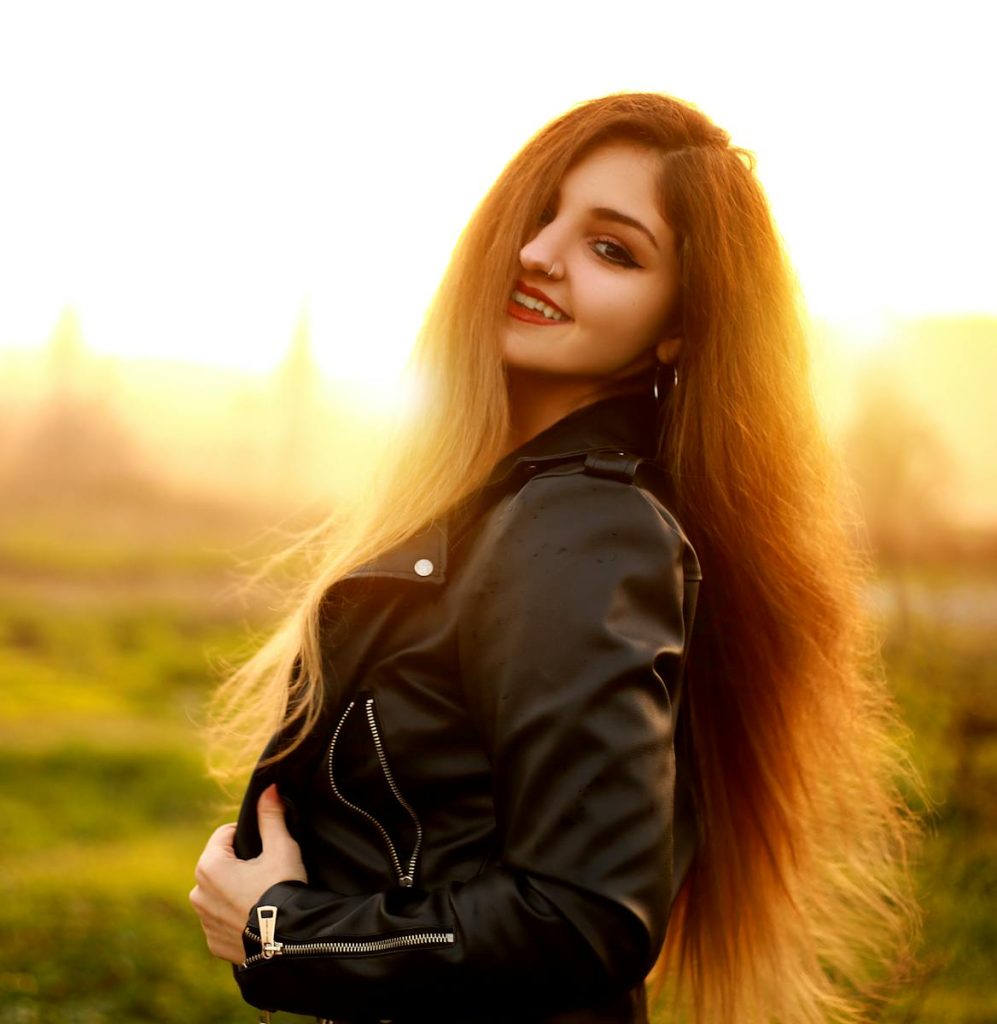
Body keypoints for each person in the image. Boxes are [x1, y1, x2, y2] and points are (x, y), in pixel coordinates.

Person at [190, 93, 924, 1023]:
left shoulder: (584, 529)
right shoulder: (504, 505)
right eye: (539, 214)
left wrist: (286, 934)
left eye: (611, 249)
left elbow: (583, 915)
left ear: (679, 328)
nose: (539, 254)